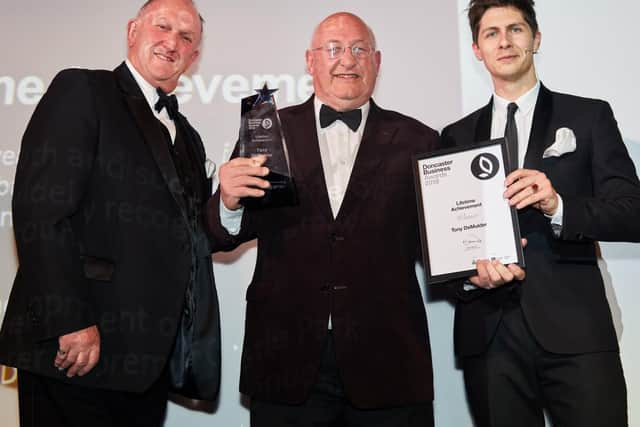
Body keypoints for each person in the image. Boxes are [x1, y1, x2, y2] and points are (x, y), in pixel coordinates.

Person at [208, 12, 439, 427]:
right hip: (286, 359)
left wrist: (482, 260)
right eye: (333, 49)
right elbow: (224, 235)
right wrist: (227, 200)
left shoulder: (420, 140)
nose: (346, 60)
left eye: (358, 49)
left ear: (377, 60)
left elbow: (439, 243)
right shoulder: (266, 129)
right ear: (310, 60)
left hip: (387, 362)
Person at [0, 0, 221, 425]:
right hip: (76, 348)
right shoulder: (84, 90)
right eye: (163, 26)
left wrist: (227, 202)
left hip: (145, 366)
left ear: (194, 56)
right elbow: (41, 212)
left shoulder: (188, 136)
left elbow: (192, 236)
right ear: (132, 31)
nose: (172, 41)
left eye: (186, 36)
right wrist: (71, 321)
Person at [441, 1, 640, 426]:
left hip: (576, 331)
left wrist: (559, 205)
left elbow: (632, 213)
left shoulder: (588, 116)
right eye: (491, 33)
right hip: (490, 337)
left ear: (536, 39)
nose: (505, 41)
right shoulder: (454, 136)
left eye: (515, 29)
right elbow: (444, 238)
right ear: (477, 49)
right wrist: (469, 276)